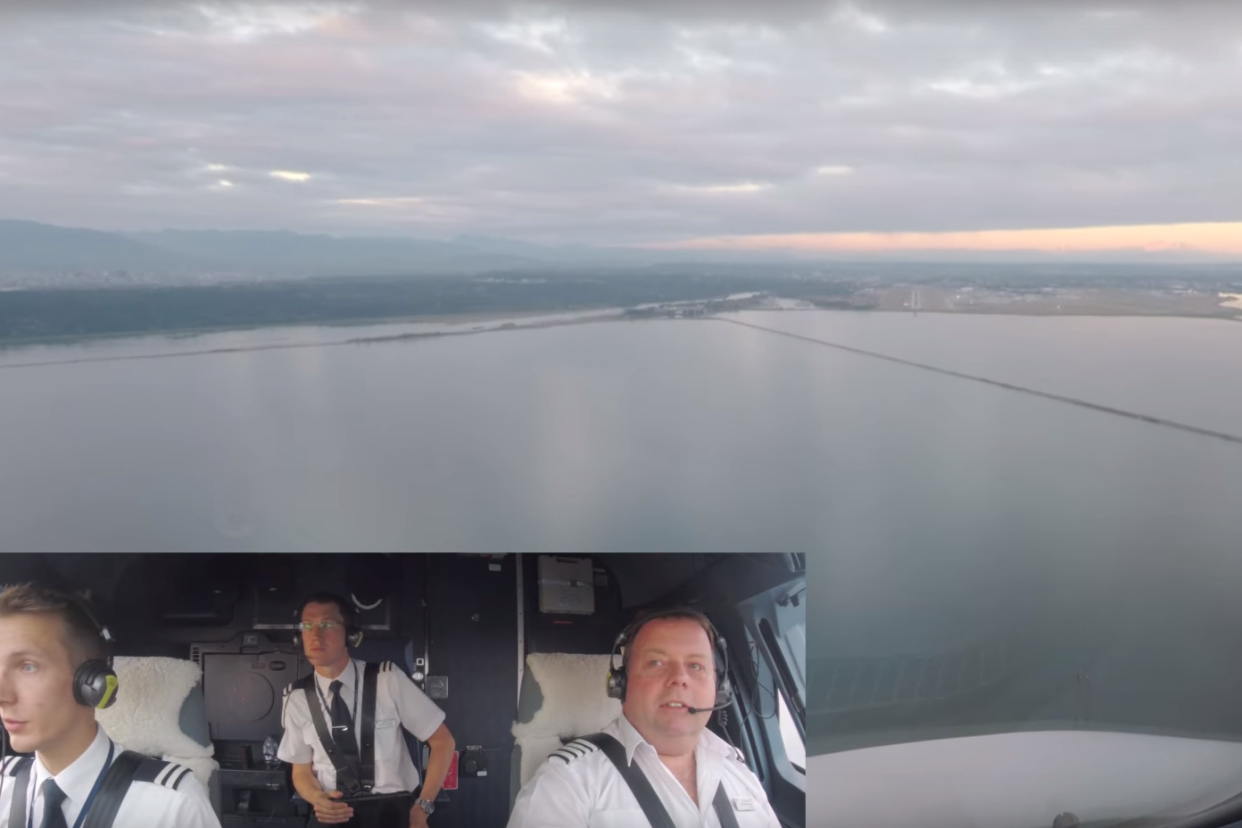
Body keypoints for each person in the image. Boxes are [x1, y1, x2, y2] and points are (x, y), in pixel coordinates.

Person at [508, 608, 783, 827]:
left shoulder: (739, 771)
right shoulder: (566, 782)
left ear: (718, 687)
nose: (679, 679)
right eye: (657, 663)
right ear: (621, 683)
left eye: (696, 665)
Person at [0, 583, 221, 828]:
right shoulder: (3, 786)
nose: (3, 695)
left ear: (91, 683)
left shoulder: (171, 805)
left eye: (27, 666)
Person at [279, 592, 455, 828]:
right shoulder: (296, 698)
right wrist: (316, 798)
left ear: (350, 635)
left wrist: (422, 809)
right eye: (307, 625)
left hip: (395, 813)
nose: (315, 634)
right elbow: (300, 769)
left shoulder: (388, 679)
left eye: (327, 624)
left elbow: (443, 742)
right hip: (334, 815)